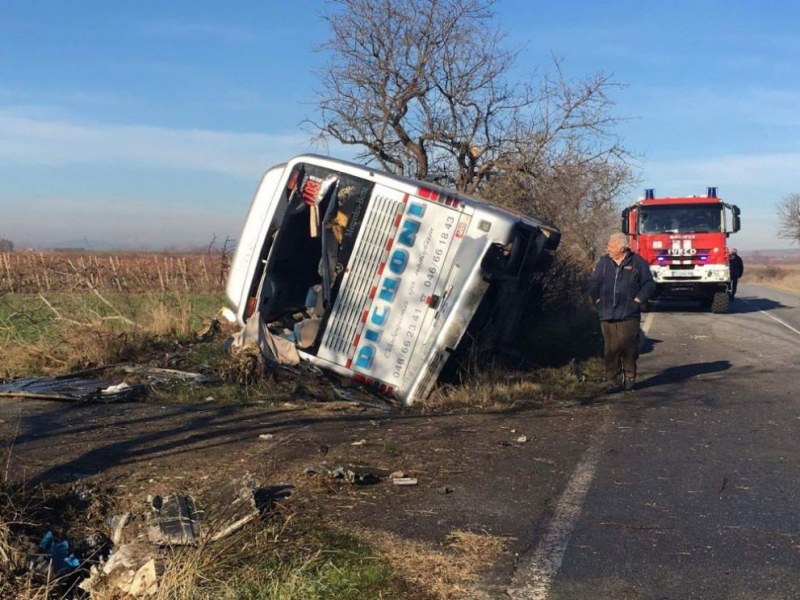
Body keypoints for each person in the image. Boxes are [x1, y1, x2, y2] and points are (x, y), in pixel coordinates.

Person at [589, 232, 656, 392]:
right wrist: (597, 299)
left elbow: (649, 285)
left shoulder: (638, 262)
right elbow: (594, 283)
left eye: (611, 246)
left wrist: (637, 301)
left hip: (629, 313)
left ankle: (630, 375)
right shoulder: (603, 263)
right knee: (610, 349)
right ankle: (614, 381)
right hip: (606, 312)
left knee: (629, 347)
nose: (608, 249)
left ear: (622, 248)